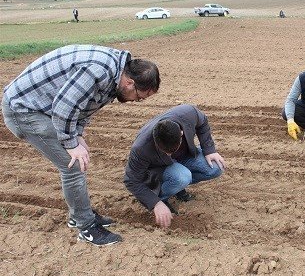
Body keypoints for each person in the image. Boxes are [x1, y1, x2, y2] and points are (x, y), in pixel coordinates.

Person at [2, 44, 160, 246]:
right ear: (129, 83)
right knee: (72, 165)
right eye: (139, 97)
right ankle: (86, 228)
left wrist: (77, 135)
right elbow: (63, 107)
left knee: (78, 156)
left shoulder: (115, 77)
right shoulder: (97, 71)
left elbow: (84, 106)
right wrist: (70, 142)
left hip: (42, 108)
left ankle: (78, 214)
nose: (136, 101)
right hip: (23, 110)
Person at [124, 104, 225, 229]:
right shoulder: (141, 148)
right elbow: (131, 180)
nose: (168, 154)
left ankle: (176, 187)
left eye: (172, 150)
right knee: (182, 177)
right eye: (164, 152)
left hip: (184, 157)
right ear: (155, 141)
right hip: (160, 168)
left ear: (181, 134)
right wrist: (155, 203)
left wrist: (209, 150)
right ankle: (162, 197)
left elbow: (202, 121)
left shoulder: (188, 113)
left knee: (215, 168)